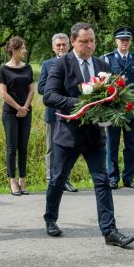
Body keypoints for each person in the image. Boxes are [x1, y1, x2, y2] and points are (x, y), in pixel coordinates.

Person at [43, 22, 134, 248]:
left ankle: (110, 231)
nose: (89, 45)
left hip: (95, 136)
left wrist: (114, 104)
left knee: (102, 182)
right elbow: (49, 96)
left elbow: (111, 94)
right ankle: (50, 218)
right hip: (68, 136)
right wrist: (81, 103)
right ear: (73, 41)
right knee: (58, 179)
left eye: (92, 40)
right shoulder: (62, 64)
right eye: (84, 41)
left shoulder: (103, 64)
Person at [103, 26, 134, 190]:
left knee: (131, 145)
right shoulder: (107, 59)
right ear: (116, 41)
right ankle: (113, 178)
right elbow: (102, 86)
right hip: (114, 108)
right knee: (112, 144)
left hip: (132, 109)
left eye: (127, 40)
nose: (124, 42)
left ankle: (129, 178)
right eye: (122, 40)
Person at [38, 33, 77, 192]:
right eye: (58, 45)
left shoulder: (75, 62)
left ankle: (65, 179)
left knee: (69, 147)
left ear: (69, 45)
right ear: (53, 47)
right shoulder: (47, 64)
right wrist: (56, 91)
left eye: (64, 44)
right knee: (52, 148)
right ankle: (50, 180)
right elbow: (41, 88)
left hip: (72, 112)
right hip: (53, 113)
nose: (61, 47)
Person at [0, 37, 34, 196]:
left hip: (26, 111)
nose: (25, 50)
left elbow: (31, 90)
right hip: (10, 113)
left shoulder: (28, 68)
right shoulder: (3, 70)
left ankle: (22, 180)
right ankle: (12, 180)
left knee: (23, 147)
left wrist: (25, 107)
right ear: (14, 50)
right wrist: (18, 107)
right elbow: (3, 94)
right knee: (12, 147)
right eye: (23, 48)